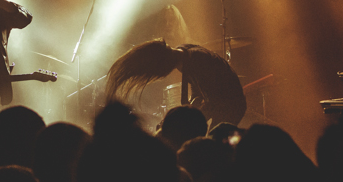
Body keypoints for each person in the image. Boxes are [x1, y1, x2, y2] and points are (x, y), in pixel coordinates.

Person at [105, 38, 246, 131]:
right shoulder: (184, 55)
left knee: (214, 146)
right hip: (222, 104)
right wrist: (189, 109)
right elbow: (198, 90)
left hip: (231, 106)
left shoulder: (198, 60)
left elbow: (214, 102)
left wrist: (181, 122)